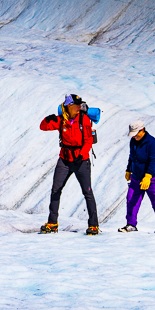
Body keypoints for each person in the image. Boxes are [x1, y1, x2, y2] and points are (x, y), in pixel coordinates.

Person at [39, 94, 99, 235]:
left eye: (80, 105)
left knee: (87, 192)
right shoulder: (61, 120)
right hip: (65, 160)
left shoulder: (84, 119)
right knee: (56, 189)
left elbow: (88, 140)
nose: (79, 107)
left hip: (81, 161)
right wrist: (48, 119)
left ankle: (94, 225)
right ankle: (52, 223)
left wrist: (81, 155)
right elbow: (43, 127)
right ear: (68, 106)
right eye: (76, 105)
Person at [118, 120, 155, 233]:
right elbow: (132, 157)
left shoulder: (152, 143)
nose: (135, 136)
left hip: (153, 178)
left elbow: (153, 160)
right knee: (131, 200)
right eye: (133, 134)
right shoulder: (133, 141)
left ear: (142, 130)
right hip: (136, 177)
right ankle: (131, 224)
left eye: (136, 134)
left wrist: (148, 176)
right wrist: (128, 169)